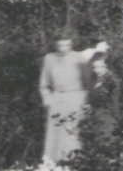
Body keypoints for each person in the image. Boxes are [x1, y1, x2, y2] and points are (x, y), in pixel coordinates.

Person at [40, 34, 98, 163]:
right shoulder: (49, 59)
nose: (63, 48)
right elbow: (44, 84)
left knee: (73, 132)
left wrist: (86, 101)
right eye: (60, 45)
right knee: (56, 133)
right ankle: (54, 163)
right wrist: (48, 100)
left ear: (71, 44)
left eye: (67, 45)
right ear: (56, 45)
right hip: (57, 100)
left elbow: (87, 81)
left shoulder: (79, 57)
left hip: (76, 99)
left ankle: (75, 162)